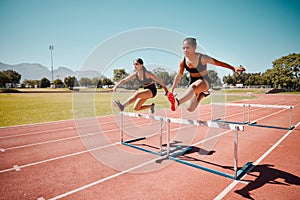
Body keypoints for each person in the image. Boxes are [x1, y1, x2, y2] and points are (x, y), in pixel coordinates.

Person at [168, 37, 246, 112]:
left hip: (204, 82)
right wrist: (171, 90)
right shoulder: (183, 61)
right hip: (192, 82)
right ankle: (202, 95)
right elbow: (179, 75)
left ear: (194, 47)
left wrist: (233, 68)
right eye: (183, 48)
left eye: (187, 47)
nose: (185, 50)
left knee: (194, 86)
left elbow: (218, 63)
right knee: (190, 108)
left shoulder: (203, 58)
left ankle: (177, 102)